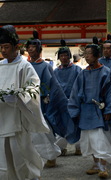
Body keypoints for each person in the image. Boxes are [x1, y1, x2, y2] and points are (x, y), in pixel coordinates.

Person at [68, 42, 111, 179]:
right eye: (86, 54)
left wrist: (110, 110)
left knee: (100, 139)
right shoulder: (83, 73)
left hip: (100, 111)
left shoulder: (106, 72)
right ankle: (95, 164)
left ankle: (103, 166)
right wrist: (74, 111)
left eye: (89, 54)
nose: (86, 57)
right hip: (85, 111)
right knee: (89, 140)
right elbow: (75, 93)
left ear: (96, 55)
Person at [0, 25, 49, 180]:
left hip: (17, 118)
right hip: (2, 116)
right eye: (1, 47)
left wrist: (19, 97)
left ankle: (31, 177)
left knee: (21, 154)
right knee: (5, 156)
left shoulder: (24, 66)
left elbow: (33, 88)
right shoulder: (0, 66)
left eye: (6, 47)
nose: (3, 51)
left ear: (16, 47)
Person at [26, 31, 76, 168]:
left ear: (39, 50)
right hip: (27, 102)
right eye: (29, 47)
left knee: (44, 130)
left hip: (42, 103)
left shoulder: (45, 66)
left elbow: (51, 85)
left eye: (33, 47)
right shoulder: (25, 65)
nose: (30, 50)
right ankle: (45, 155)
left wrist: (48, 98)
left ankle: (51, 156)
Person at [54, 40, 82, 156]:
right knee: (62, 124)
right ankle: (61, 148)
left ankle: (79, 147)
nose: (64, 58)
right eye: (61, 56)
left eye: (66, 55)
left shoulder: (77, 70)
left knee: (77, 124)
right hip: (61, 103)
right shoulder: (55, 72)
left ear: (69, 56)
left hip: (74, 101)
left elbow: (81, 86)